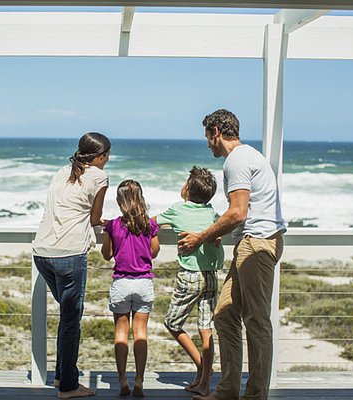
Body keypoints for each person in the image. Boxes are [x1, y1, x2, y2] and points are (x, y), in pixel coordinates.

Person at [178, 109, 286, 400]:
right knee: (224, 315)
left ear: (216, 132)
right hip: (252, 243)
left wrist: (202, 237)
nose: (207, 144)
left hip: (257, 244)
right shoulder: (248, 156)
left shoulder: (236, 161)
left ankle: (255, 395)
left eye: (207, 137)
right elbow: (242, 214)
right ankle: (227, 392)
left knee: (256, 321)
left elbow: (237, 213)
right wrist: (216, 235)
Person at [32, 132, 111, 399]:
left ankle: (60, 377)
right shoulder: (99, 176)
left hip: (42, 252)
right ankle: (68, 386)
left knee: (67, 319)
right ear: (100, 157)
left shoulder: (62, 171)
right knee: (71, 321)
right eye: (107, 157)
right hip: (69, 254)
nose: (107, 161)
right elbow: (96, 218)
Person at [152, 166, 224, 397]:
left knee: (173, 323)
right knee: (206, 328)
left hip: (190, 276)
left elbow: (151, 222)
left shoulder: (178, 209)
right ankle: (204, 381)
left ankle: (203, 366)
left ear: (186, 189)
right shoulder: (212, 213)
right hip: (211, 276)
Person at [101, 180, 160, 398]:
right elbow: (154, 252)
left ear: (119, 202)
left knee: (120, 333)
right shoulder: (149, 225)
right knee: (141, 334)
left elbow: (107, 255)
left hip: (121, 284)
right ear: (141, 198)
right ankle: (139, 381)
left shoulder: (113, 225)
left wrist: (109, 232)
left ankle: (122, 380)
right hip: (144, 283)